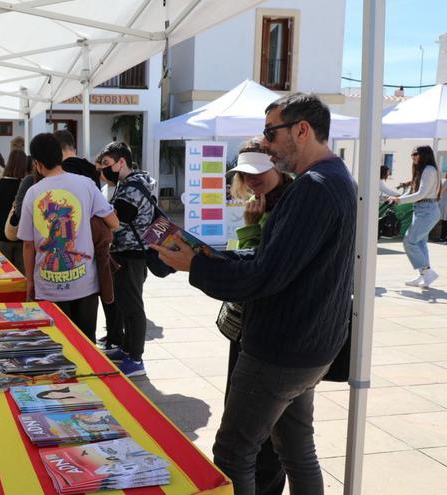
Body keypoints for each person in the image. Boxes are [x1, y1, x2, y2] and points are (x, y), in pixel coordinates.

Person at [153, 93, 356, 495]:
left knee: (233, 453)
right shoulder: (333, 179)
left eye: (270, 133)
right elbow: (278, 258)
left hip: (282, 350)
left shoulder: (315, 186)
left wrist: (196, 266)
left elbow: (266, 275)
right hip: (309, 347)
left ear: (302, 129)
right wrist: (212, 257)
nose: (264, 144)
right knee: (296, 451)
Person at [222, 137, 294, 495]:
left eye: (258, 171)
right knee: (282, 438)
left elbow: (257, 271)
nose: (251, 180)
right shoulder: (266, 203)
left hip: (269, 335)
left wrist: (249, 227)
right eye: (245, 174)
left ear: (275, 164)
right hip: (255, 329)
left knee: (251, 440)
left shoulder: (286, 207)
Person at [18, 133, 118, 342]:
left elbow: (28, 245)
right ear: (60, 155)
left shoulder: (33, 192)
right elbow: (114, 223)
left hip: (47, 288)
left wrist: (30, 282)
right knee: (86, 343)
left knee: (54, 345)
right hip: (86, 285)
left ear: (37, 163)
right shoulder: (86, 184)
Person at [98, 141, 156, 377]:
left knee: (132, 307)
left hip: (131, 254)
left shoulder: (131, 187)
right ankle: (126, 348)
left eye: (106, 164)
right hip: (126, 253)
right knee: (124, 305)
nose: (103, 169)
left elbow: (117, 221)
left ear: (122, 162)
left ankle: (136, 358)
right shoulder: (129, 183)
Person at [386, 145, 442, 288]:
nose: (413, 157)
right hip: (421, 209)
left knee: (409, 241)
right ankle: (424, 275)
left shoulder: (429, 170)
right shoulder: (421, 170)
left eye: (415, 154)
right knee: (420, 243)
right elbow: (413, 191)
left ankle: (427, 272)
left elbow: (421, 194)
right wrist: (398, 198)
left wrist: (400, 200)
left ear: (424, 155)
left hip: (427, 209)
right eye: (412, 154)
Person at [0, 149, 27, 272]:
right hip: (22, 237)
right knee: (21, 276)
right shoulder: (26, 185)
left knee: (3, 273)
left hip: (1, 236)